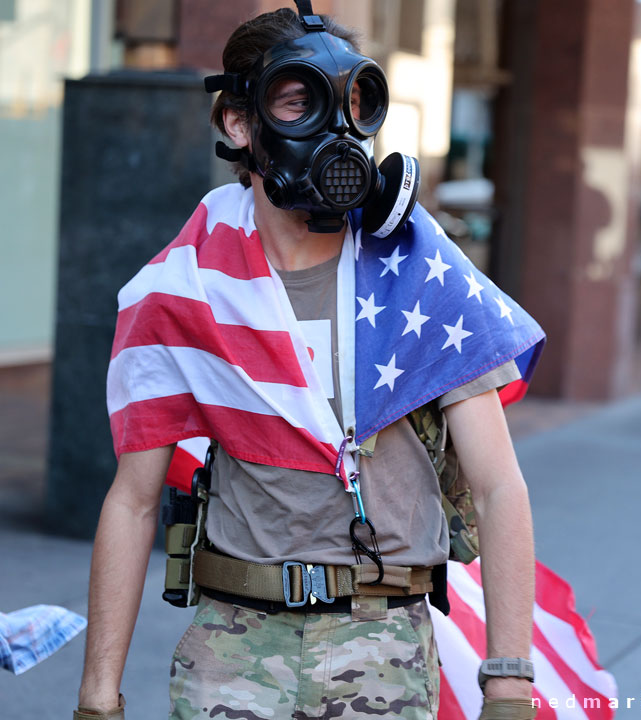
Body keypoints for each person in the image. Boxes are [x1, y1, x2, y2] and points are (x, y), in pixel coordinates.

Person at [75, 3, 544, 719]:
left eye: (355, 104)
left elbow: (499, 486)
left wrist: (509, 683)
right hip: (229, 654)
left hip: (380, 648)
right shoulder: (187, 287)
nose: (336, 130)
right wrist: (97, 696)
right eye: (302, 103)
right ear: (239, 124)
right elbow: (133, 500)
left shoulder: (418, 274)